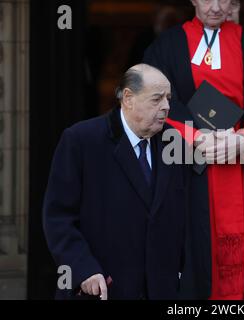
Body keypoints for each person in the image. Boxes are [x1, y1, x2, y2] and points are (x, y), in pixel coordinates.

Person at [143, 0, 244, 300]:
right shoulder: (168, 46)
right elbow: (156, 97)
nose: (216, 7)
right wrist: (193, 137)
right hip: (187, 167)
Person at [43, 64, 187, 300]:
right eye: (156, 99)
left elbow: (184, 214)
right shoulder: (81, 140)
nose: (166, 107)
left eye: (168, 99)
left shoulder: (174, 142)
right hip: (102, 288)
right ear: (128, 98)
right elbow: (58, 218)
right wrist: (84, 269)